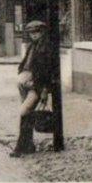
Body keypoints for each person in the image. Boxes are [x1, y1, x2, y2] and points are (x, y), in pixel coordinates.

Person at [11, 20, 57, 157]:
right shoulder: (32, 46)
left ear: (42, 32)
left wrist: (44, 90)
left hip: (37, 86)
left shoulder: (46, 48)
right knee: (27, 113)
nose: (34, 35)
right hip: (28, 85)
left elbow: (47, 71)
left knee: (24, 111)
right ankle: (27, 145)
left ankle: (21, 146)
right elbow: (25, 63)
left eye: (36, 32)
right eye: (31, 33)